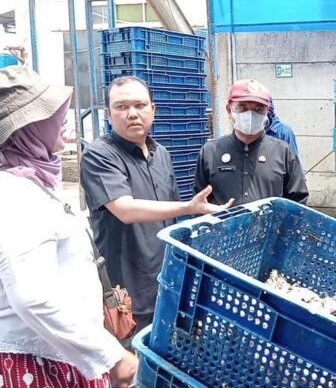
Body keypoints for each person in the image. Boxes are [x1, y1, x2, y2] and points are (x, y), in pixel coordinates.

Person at [0, 66, 137, 387]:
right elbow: (32, 296)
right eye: (53, 114)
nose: (64, 118)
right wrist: (111, 355)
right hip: (40, 364)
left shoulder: (31, 181)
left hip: (63, 354)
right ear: (26, 129)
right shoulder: (15, 194)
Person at [80, 76, 232, 335]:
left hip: (166, 280)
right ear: (107, 114)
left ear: (153, 110)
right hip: (126, 290)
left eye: (140, 105)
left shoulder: (161, 154)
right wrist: (189, 207)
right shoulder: (99, 155)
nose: (132, 114)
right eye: (121, 107)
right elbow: (125, 210)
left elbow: (169, 219)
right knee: (132, 362)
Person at [194, 78, 308, 205]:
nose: (250, 115)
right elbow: (200, 205)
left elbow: (299, 205)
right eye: (242, 108)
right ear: (229, 110)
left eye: (258, 109)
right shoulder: (210, 152)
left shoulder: (284, 153)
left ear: (267, 111)